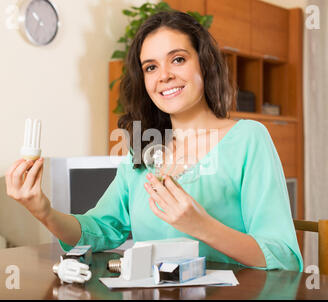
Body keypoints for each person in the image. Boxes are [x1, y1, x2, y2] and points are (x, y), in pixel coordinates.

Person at [5, 11, 303, 271]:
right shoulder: (143, 149)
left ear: (205, 64)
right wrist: (42, 210)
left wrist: (203, 227)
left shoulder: (248, 139)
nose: (164, 76)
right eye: (151, 67)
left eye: (178, 59)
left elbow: (283, 256)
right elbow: (98, 230)